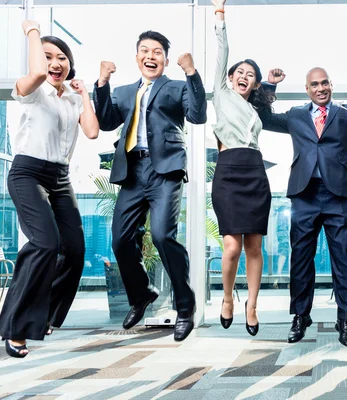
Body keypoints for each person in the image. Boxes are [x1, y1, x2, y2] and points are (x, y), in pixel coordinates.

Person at [259, 63, 347, 348]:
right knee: (301, 259)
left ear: (331, 85)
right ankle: (301, 317)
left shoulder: (346, 114)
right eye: (314, 85)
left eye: (324, 83)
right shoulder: (295, 116)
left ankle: (345, 319)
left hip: (338, 195)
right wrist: (270, 86)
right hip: (304, 194)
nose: (320, 88)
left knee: (343, 260)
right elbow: (264, 118)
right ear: (307, 89)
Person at [93, 30, 207, 341]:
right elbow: (105, 122)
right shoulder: (125, 91)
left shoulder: (176, 87)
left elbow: (197, 115)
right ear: (137, 57)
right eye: (145, 51)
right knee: (120, 240)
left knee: (162, 235)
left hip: (165, 170)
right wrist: (102, 84)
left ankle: (185, 308)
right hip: (132, 171)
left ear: (166, 60)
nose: (151, 56)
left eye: (157, 52)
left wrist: (191, 72)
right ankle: (142, 293)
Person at [0, 20, 99, 358]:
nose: (56, 63)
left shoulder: (71, 98)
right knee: (44, 243)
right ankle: (17, 326)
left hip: (60, 178)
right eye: (48, 56)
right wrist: (31, 31)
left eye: (62, 58)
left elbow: (91, 132)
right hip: (27, 172)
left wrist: (84, 93)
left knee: (74, 250)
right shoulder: (29, 89)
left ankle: (44, 318)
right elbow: (39, 74)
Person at [212, 0, 274, 336]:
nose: (243, 77)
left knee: (254, 246)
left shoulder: (255, 110)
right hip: (228, 170)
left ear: (254, 84)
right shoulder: (220, 94)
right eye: (240, 72)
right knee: (231, 245)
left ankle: (252, 302)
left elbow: (267, 103)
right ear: (231, 76)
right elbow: (222, 52)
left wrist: (272, 87)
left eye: (250, 76)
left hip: (255, 171)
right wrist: (220, 13)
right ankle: (226, 298)